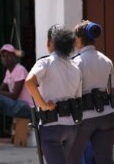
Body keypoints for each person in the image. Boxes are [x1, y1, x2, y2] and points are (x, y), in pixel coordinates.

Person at [25, 25, 82, 164]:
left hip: (52, 126)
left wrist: (43, 105)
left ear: (49, 43)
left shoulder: (46, 62)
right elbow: (77, 97)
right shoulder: (75, 66)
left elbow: (29, 82)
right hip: (71, 127)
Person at [68, 20, 114, 164]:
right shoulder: (107, 61)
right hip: (106, 116)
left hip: (84, 118)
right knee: (105, 159)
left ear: (79, 39)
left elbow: (72, 92)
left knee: (72, 157)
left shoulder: (76, 62)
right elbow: (110, 90)